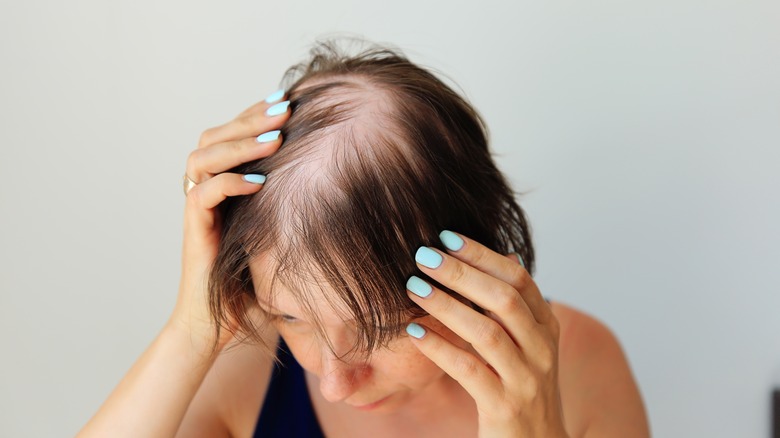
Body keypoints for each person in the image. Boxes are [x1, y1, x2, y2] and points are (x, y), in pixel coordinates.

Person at [78, 39, 651, 437]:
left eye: (377, 327)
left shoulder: (578, 368)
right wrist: (190, 330)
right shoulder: (248, 372)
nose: (331, 383)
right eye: (292, 319)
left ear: (475, 259)